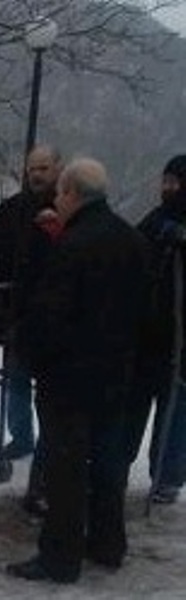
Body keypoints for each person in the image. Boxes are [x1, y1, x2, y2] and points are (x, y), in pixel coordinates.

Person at [7, 158, 149, 583]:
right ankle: (108, 544)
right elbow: (148, 310)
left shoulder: (72, 246)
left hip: (69, 381)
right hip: (118, 376)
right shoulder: (133, 240)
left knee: (65, 472)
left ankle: (59, 559)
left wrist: (27, 351)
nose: (55, 200)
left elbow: (50, 316)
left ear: (71, 194)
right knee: (107, 466)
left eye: (59, 194)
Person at [0, 146, 61, 520]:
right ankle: (22, 437)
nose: (37, 174)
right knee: (15, 377)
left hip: (51, 315)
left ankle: (48, 452)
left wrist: (57, 230)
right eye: (32, 168)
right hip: (13, 312)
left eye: (44, 168)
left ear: (57, 170)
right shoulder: (13, 208)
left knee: (47, 387)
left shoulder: (67, 206)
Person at [125, 154, 186, 504]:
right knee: (132, 406)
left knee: (174, 412)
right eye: (165, 182)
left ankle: (167, 476)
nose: (167, 189)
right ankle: (118, 463)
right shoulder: (157, 220)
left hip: (181, 342)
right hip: (146, 337)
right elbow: (135, 245)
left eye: (174, 183)